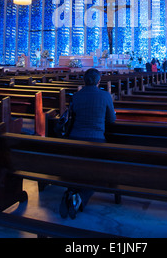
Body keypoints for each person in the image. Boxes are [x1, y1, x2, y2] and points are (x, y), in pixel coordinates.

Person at [59, 68, 116, 219]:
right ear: (99, 81)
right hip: (96, 141)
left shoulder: (76, 96)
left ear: (84, 81)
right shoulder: (105, 96)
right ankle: (80, 198)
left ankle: (70, 192)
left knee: (76, 167)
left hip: (75, 140)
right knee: (98, 171)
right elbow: (111, 120)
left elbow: (72, 116)